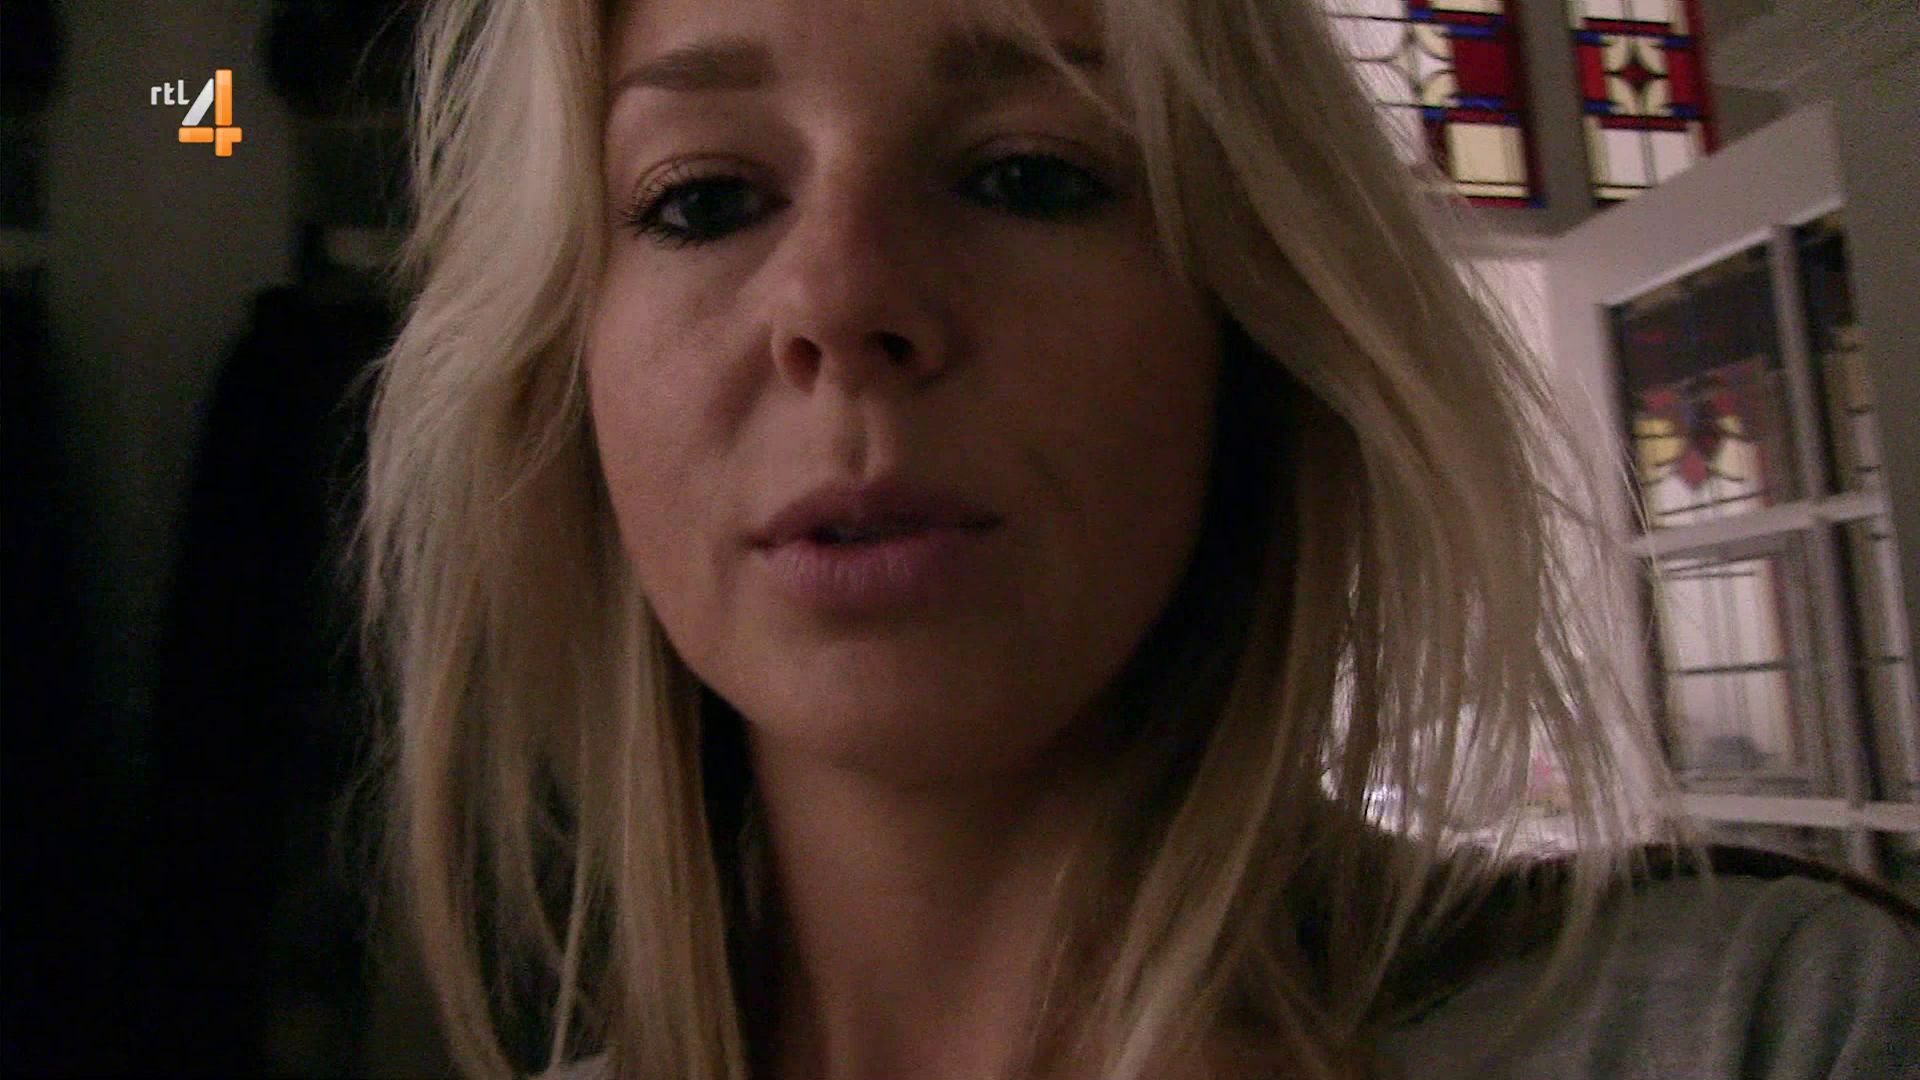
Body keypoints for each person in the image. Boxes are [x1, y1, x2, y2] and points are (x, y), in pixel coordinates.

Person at [357, 0, 1920, 1078]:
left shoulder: (1766, 1028)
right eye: (703, 200)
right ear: (563, 383)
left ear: (1245, 332)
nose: (839, 300)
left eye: (1027, 175)